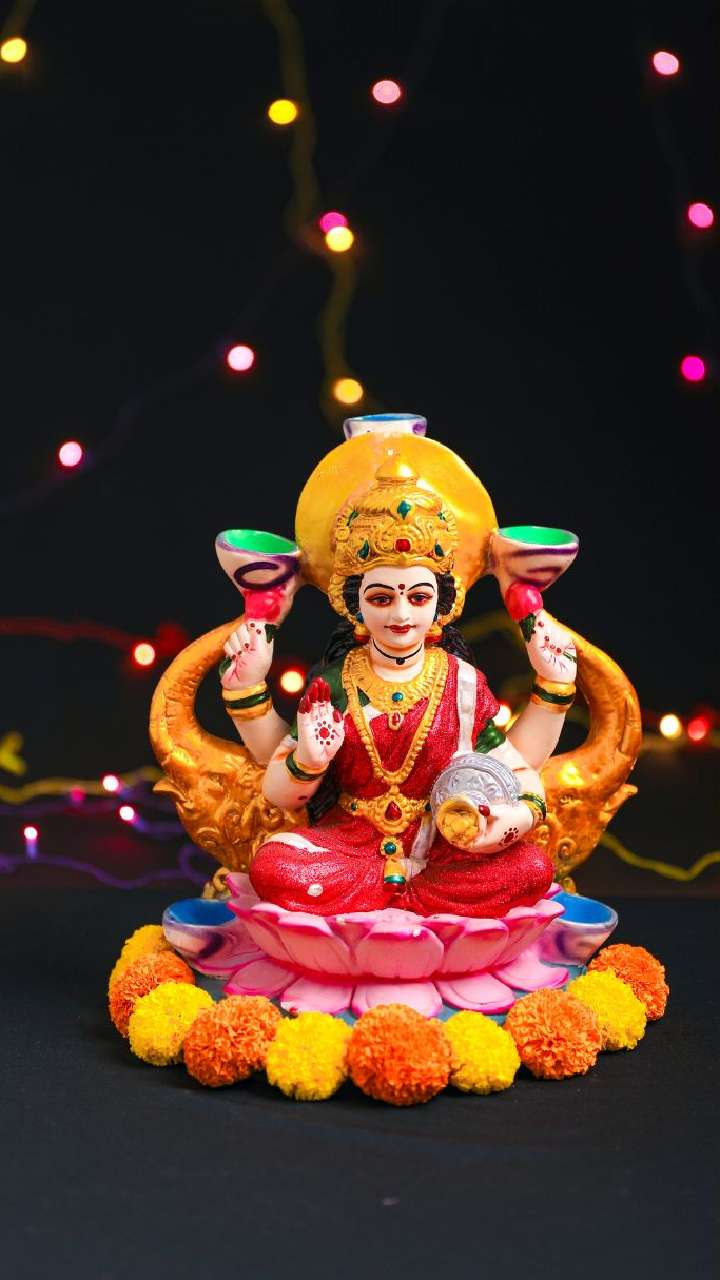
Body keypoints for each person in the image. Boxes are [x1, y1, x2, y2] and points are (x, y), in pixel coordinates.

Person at [218, 456, 578, 919]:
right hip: (351, 849)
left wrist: (515, 817)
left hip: (443, 846)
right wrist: (308, 759)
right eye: (382, 598)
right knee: (274, 866)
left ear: (441, 604)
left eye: (419, 597)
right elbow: (280, 794)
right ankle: (423, 910)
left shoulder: (462, 682)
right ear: (355, 605)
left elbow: (516, 769)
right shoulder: (335, 682)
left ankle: (381, 910)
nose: (401, 615)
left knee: (531, 868)